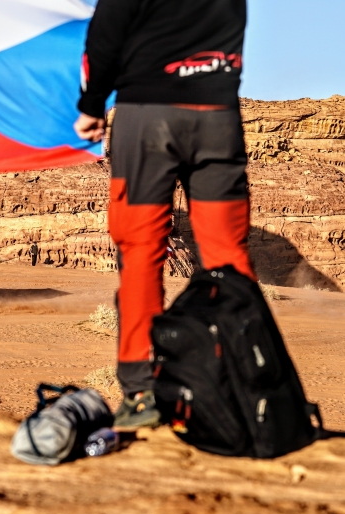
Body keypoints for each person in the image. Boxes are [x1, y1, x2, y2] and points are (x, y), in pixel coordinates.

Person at [74, 0, 254, 428]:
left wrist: (92, 104)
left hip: (147, 115)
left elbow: (104, 38)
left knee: (141, 251)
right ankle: (243, 387)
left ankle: (143, 394)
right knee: (228, 253)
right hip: (218, 117)